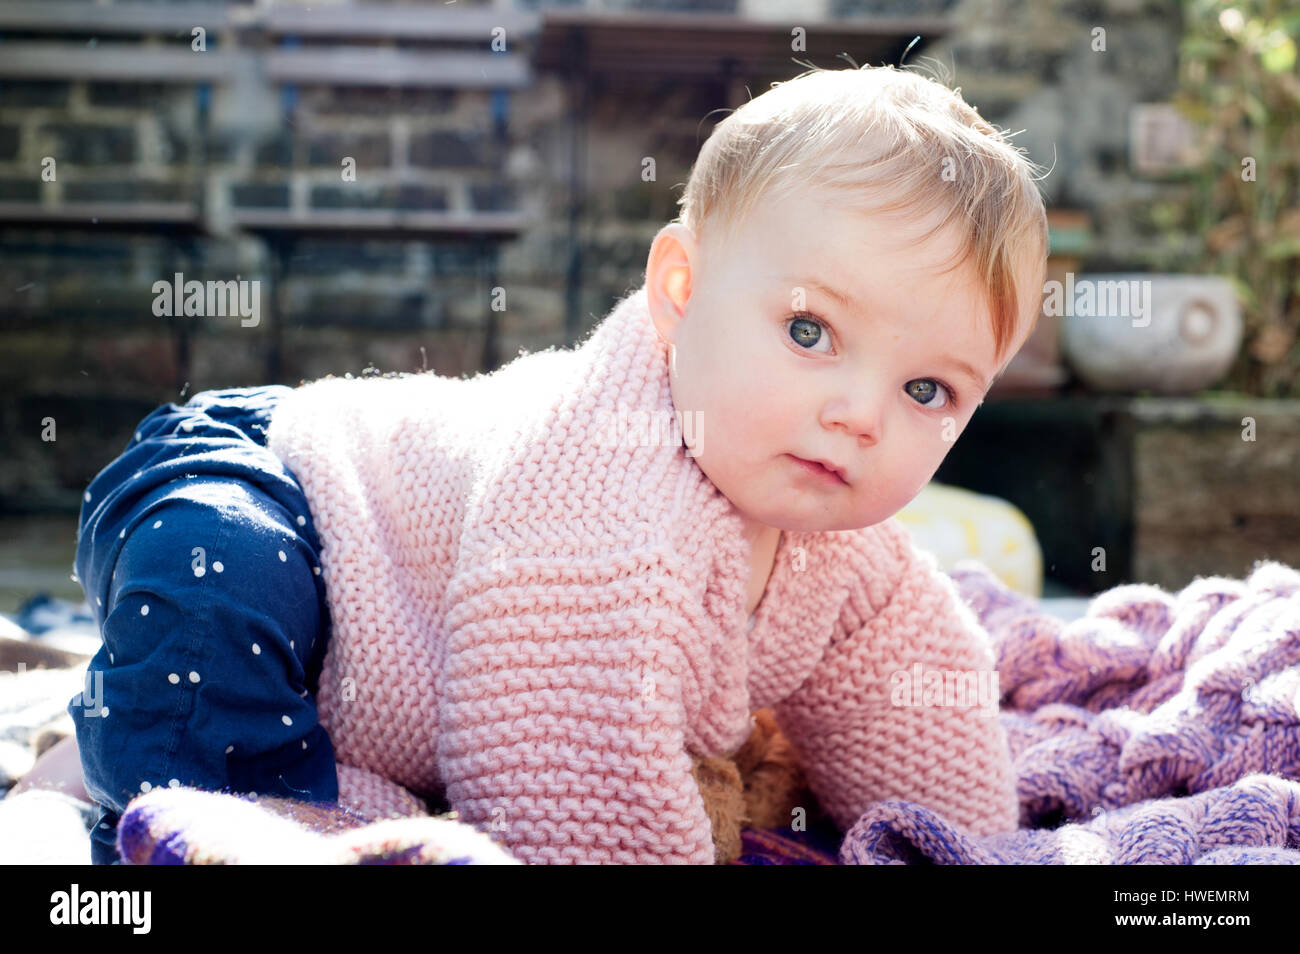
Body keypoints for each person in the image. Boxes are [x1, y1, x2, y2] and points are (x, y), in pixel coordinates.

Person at [59, 63, 1049, 864]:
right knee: (218, 611)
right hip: (272, 483)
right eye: (809, 329)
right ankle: (103, 772)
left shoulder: (849, 552)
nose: (858, 414)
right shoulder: (602, 488)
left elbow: (920, 697)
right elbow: (574, 790)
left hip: (386, 657)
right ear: (680, 291)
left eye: (927, 391)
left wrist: (970, 846)